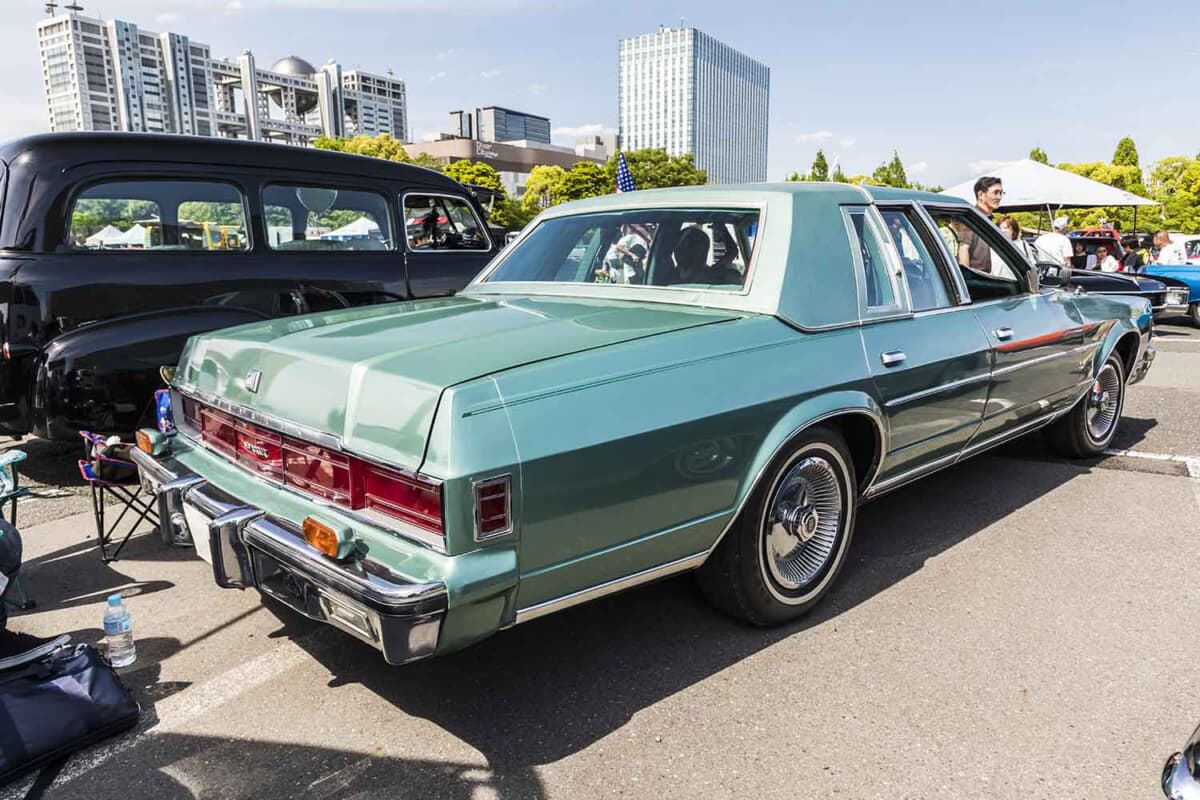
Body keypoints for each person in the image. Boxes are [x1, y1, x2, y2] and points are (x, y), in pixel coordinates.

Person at [951, 176, 1003, 272]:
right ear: (981, 194)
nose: (999, 197)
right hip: (976, 276)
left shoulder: (989, 220)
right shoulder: (971, 219)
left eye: (1001, 193)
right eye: (995, 193)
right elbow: (963, 249)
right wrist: (967, 276)